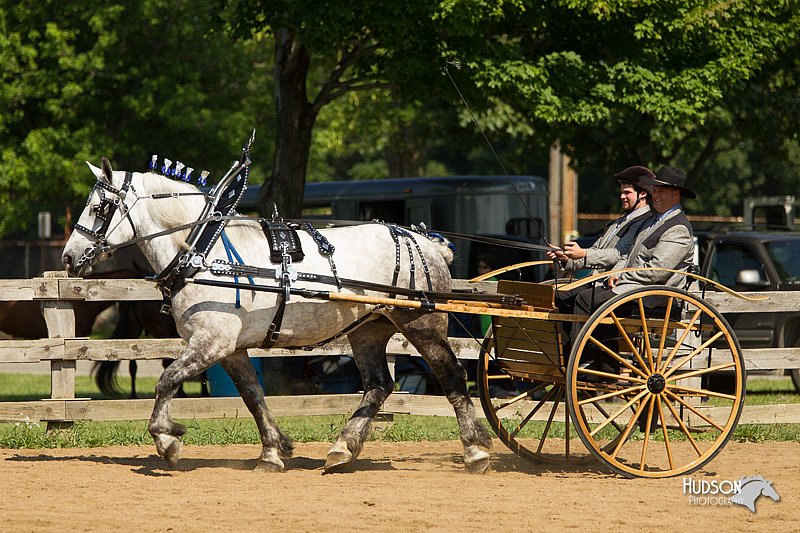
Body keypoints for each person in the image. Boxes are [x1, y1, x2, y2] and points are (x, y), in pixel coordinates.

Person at [568, 166, 696, 377]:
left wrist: (622, 276)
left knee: (588, 300)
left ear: (676, 194)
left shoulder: (678, 228)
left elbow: (657, 271)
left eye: (661, 191)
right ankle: (588, 362)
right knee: (581, 296)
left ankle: (594, 364)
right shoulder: (655, 222)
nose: (656, 195)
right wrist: (614, 274)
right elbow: (628, 258)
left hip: (656, 295)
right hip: (636, 288)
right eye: (655, 190)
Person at [548, 165, 654, 313]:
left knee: (571, 298)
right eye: (621, 192)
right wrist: (567, 258)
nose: (622, 196)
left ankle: (579, 337)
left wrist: (583, 253)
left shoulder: (643, 223)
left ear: (642, 194)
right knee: (553, 296)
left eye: (627, 192)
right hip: (595, 281)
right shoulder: (618, 222)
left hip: (611, 285)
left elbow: (619, 253)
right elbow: (596, 250)